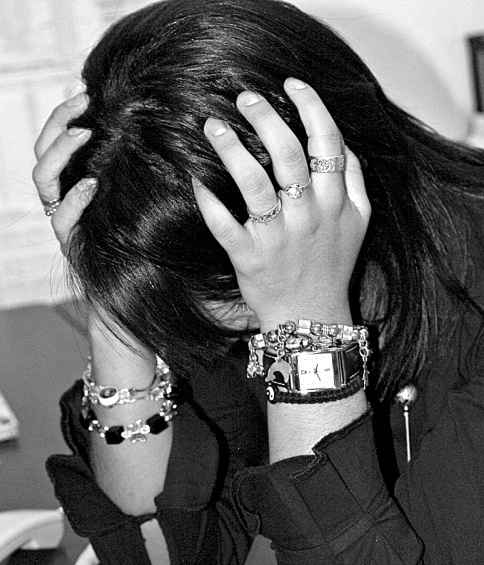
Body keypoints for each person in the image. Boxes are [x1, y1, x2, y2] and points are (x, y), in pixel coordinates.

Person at [32, 0, 484, 563]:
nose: (228, 326)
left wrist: (306, 328)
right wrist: (117, 290)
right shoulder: (219, 280)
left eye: (234, 300)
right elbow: (165, 550)